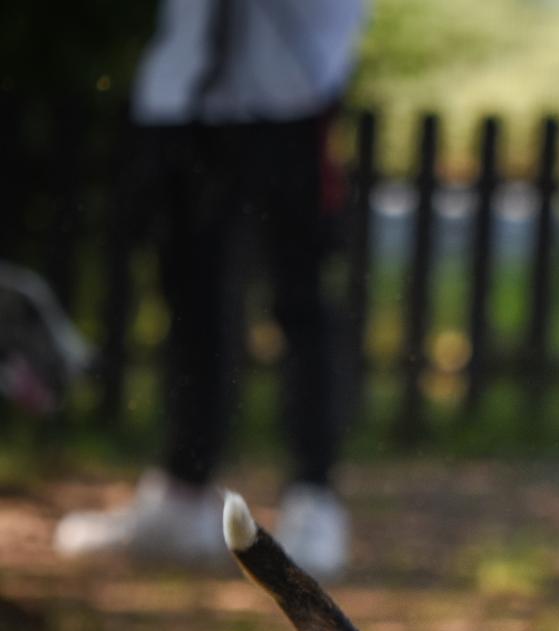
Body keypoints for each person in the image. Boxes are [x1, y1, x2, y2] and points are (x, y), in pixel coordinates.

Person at [55, 0, 368, 579]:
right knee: (188, 301)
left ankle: (315, 499)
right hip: (181, 95)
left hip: (295, 90)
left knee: (301, 301)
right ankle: (182, 494)